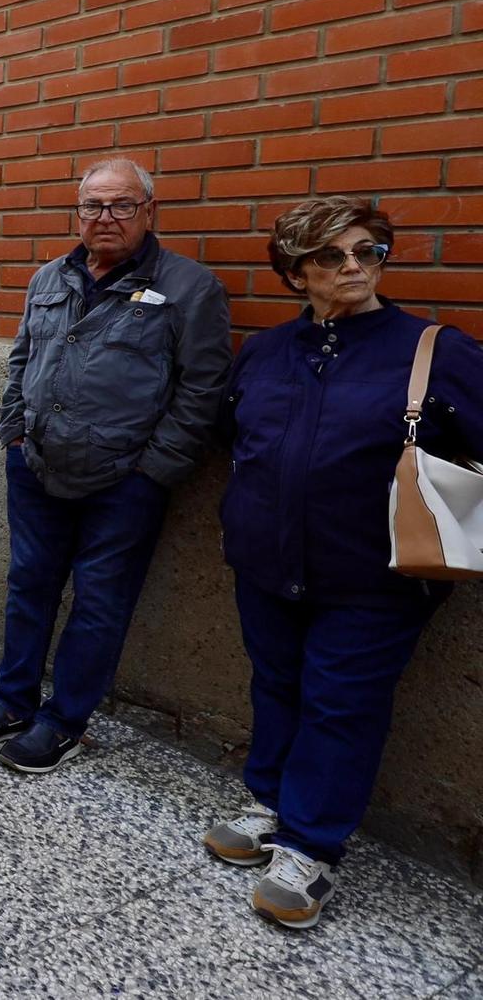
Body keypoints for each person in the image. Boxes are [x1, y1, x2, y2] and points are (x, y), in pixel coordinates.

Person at [207, 198, 482, 928]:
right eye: (332, 257)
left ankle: (309, 845)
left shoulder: (435, 349)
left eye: (369, 251)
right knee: (276, 683)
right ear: (296, 274)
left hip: (376, 574)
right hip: (266, 560)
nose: (355, 267)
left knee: (341, 702)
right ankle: (269, 798)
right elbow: (230, 434)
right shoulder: (264, 351)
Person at [0, 158, 231, 774]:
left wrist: (154, 469)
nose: (105, 218)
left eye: (122, 205)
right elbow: (22, 359)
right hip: (37, 466)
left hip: (125, 481)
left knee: (100, 602)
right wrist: (13, 433)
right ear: (78, 213)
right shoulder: (50, 276)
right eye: (93, 206)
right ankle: (13, 701)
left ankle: (64, 720)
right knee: (28, 587)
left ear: (148, 212)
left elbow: (202, 390)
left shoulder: (188, 287)